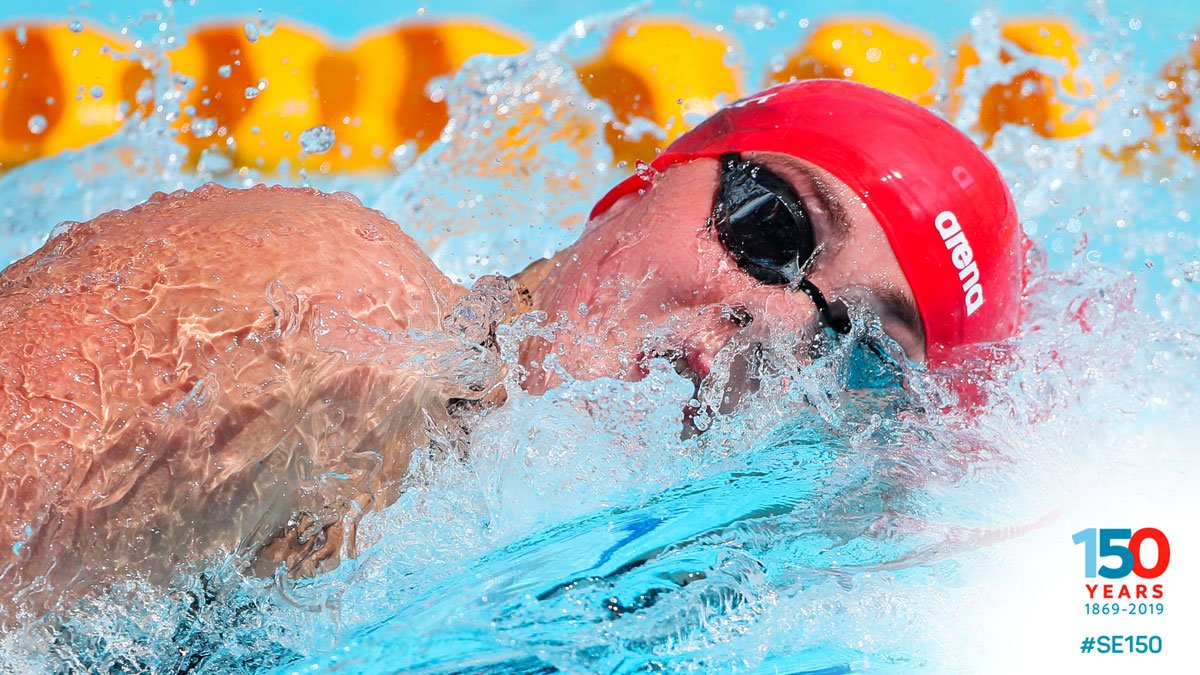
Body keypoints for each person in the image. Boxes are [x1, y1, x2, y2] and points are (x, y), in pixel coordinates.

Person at [0, 79, 1026, 620]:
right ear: (641, 184)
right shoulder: (326, 311)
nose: (776, 328)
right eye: (771, 229)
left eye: (857, 358)